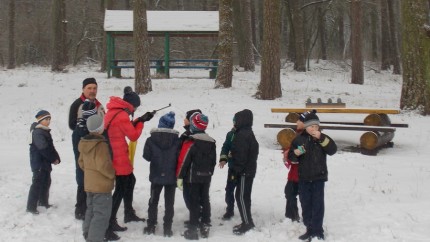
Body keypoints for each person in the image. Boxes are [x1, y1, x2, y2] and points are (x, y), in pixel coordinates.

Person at [104, 87, 154, 234]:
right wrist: (141, 123)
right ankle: (111, 220)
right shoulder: (122, 116)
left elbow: (122, 128)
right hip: (118, 155)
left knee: (130, 181)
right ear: (131, 105)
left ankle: (128, 212)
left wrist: (139, 119)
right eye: (136, 108)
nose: (135, 110)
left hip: (113, 153)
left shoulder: (114, 111)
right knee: (120, 188)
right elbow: (133, 136)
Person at [288, 110, 337, 241]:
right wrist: (296, 153)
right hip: (303, 178)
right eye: (311, 126)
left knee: (317, 205)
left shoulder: (322, 138)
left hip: (318, 178)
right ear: (305, 127)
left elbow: (333, 150)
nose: (314, 129)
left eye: (316, 126)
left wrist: (321, 138)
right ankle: (309, 229)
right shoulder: (299, 139)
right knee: (305, 204)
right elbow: (291, 157)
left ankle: (318, 231)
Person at [69, 77, 105, 220]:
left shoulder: (99, 105)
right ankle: (80, 207)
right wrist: (85, 127)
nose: (92, 91)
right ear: (83, 89)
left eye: (94, 88)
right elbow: (71, 124)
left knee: (94, 172)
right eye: (89, 88)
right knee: (82, 171)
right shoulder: (77, 104)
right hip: (81, 142)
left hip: (97, 142)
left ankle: (92, 205)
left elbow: (104, 120)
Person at [78, 115, 117, 241]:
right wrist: (112, 174)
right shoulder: (100, 145)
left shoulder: (84, 142)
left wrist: (90, 173)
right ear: (100, 129)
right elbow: (104, 165)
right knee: (101, 214)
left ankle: (88, 233)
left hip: (89, 184)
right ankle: (94, 239)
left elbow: (81, 162)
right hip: (101, 186)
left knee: (91, 210)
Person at [177, 113, 216, 240]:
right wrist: (209, 172)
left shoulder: (191, 141)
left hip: (192, 178)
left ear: (194, 125)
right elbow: (213, 161)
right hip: (206, 177)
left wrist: (179, 176)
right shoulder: (211, 142)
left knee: (193, 201)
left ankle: (193, 229)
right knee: (205, 199)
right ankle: (205, 224)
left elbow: (184, 160)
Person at [142, 111, 181, 237]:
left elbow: (147, 157)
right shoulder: (177, 141)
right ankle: (167, 229)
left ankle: (151, 226)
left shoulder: (151, 139)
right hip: (171, 177)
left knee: (153, 201)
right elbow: (180, 158)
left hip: (156, 175)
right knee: (169, 203)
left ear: (160, 124)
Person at [230, 109, 259, 235]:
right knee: (244, 196)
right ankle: (246, 221)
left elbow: (242, 156)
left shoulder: (242, 135)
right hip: (248, 170)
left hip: (244, 172)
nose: (234, 122)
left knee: (241, 197)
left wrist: (236, 169)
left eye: (236, 120)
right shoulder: (247, 133)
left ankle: (247, 223)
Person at [27, 110, 60, 214]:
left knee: (46, 182)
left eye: (49, 119)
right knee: (37, 184)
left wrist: (56, 157)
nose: (48, 121)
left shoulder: (44, 131)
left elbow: (51, 147)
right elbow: (43, 148)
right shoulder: (37, 132)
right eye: (46, 119)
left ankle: (43, 202)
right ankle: (31, 207)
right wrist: (52, 158)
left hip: (45, 163)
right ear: (40, 120)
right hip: (39, 163)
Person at [282, 111, 310, 222]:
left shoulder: (308, 137)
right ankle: (291, 216)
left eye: (300, 120)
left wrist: (293, 156)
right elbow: (292, 149)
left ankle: (307, 217)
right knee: (289, 192)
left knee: (304, 196)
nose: (297, 122)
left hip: (303, 174)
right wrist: (287, 153)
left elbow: (306, 154)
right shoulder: (298, 134)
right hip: (294, 173)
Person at [176, 109, 202, 224]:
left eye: (186, 118)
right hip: (193, 172)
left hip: (189, 172)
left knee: (190, 196)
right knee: (193, 196)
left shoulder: (189, 136)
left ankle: (196, 218)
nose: (184, 120)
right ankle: (196, 216)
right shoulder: (188, 134)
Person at [218, 124, 237, 220]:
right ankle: (230, 209)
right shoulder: (230, 134)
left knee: (242, 192)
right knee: (229, 189)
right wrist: (223, 158)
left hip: (244, 169)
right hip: (232, 168)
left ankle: (244, 210)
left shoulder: (247, 134)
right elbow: (225, 147)